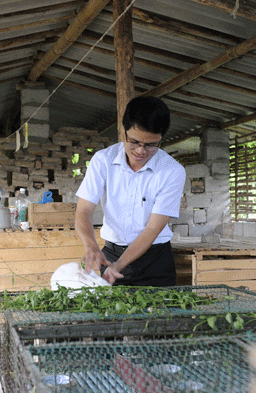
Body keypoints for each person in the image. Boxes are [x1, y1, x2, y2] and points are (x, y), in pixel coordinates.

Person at [75, 96, 186, 287]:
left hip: (155, 261)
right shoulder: (103, 160)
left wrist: (120, 265)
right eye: (134, 141)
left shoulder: (172, 171)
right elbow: (84, 209)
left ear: (161, 138)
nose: (141, 151)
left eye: (151, 145)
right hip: (111, 256)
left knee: (161, 314)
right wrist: (90, 245)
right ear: (123, 131)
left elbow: (152, 229)